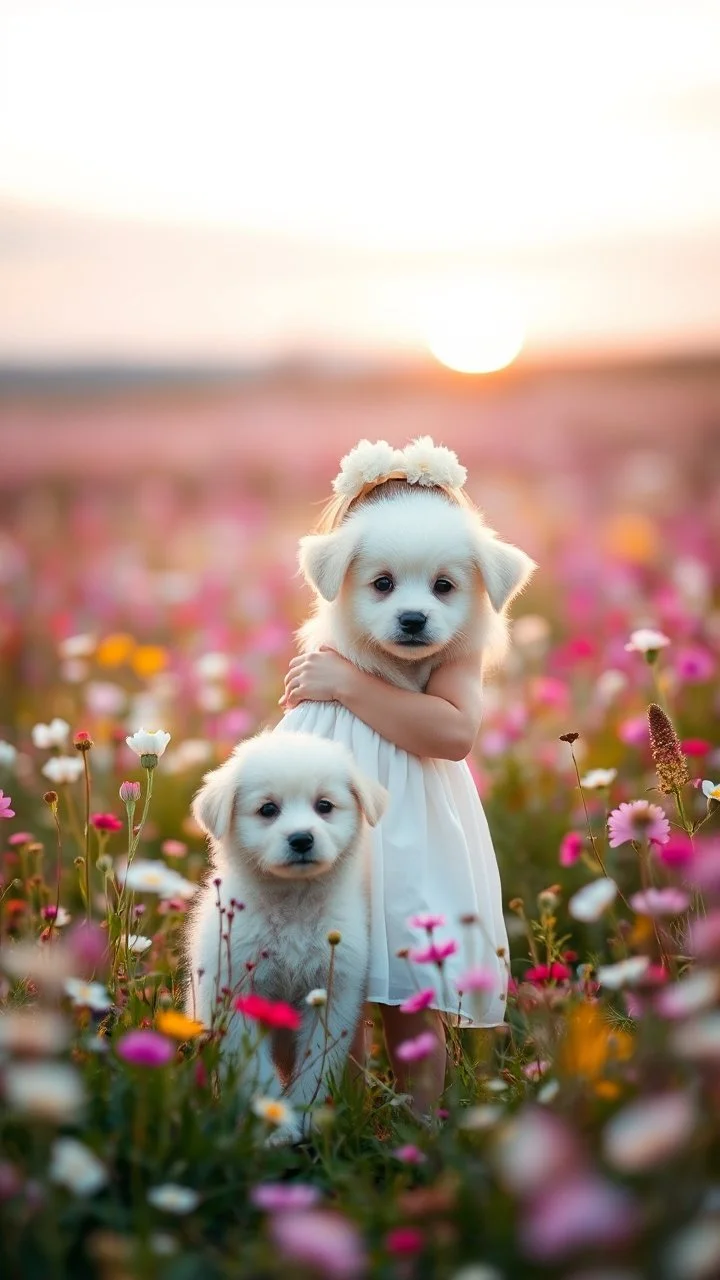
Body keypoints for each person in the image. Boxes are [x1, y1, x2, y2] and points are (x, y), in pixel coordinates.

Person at [277, 437, 534, 1116]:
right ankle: (341, 1122)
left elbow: (452, 734)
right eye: (384, 584)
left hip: (414, 820)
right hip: (334, 814)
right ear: (342, 576)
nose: (413, 609)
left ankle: (422, 1127)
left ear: (482, 586)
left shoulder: (457, 645)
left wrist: (348, 684)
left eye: (443, 585)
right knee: (334, 982)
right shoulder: (333, 636)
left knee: (412, 973)